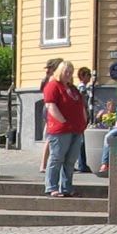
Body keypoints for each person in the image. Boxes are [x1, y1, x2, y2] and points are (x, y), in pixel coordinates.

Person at [41, 62, 85, 196]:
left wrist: (84, 121)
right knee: (57, 158)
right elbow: (51, 106)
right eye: (66, 71)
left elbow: (81, 105)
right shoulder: (53, 86)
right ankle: (51, 186)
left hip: (77, 129)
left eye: (71, 72)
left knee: (71, 160)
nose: (69, 74)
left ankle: (66, 187)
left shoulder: (73, 88)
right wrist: (64, 121)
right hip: (60, 129)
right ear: (60, 71)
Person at [73, 66, 97, 175]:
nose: (89, 78)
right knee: (81, 141)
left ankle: (83, 163)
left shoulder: (84, 88)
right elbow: (82, 103)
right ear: (83, 76)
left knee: (82, 141)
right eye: (88, 76)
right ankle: (82, 164)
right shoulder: (82, 88)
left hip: (83, 115)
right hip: (82, 116)